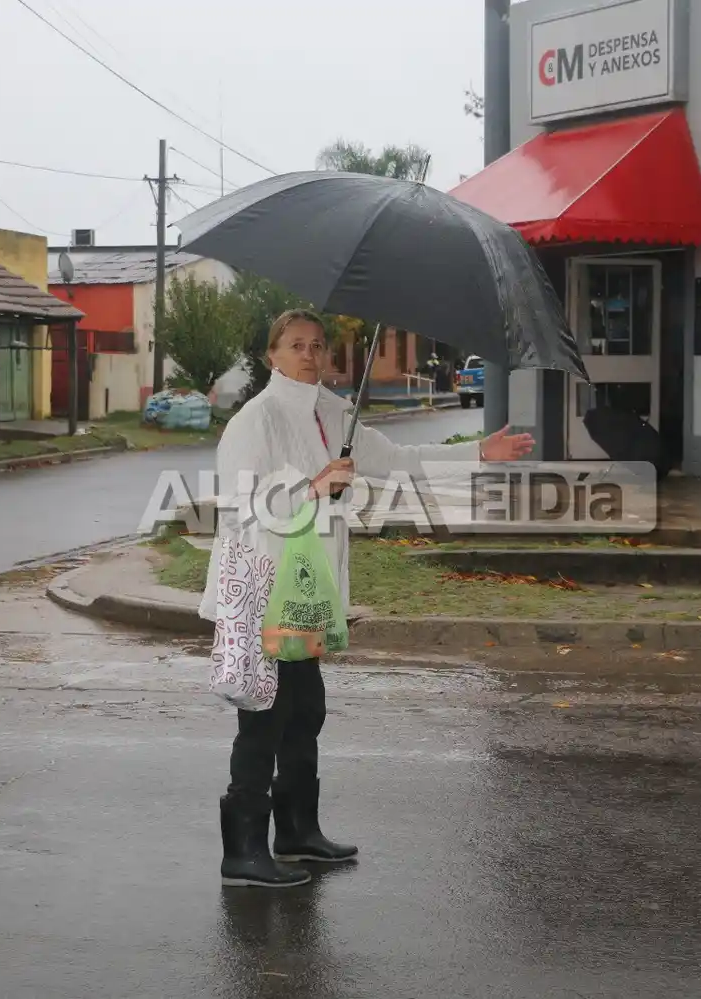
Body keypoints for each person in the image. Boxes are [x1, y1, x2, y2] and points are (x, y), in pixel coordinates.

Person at [200, 309, 533, 888]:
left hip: (307, 592)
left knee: (306, 712)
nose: (309, 353)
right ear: (271, 356)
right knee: (266, 717)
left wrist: (480, 452)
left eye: (318, 345)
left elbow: (400, 460)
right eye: (296, 345)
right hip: (263, 588)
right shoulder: (256, 420)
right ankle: (243, 849)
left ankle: (298, 830)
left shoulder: (333, 412)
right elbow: (241, 506)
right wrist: (314, 486)